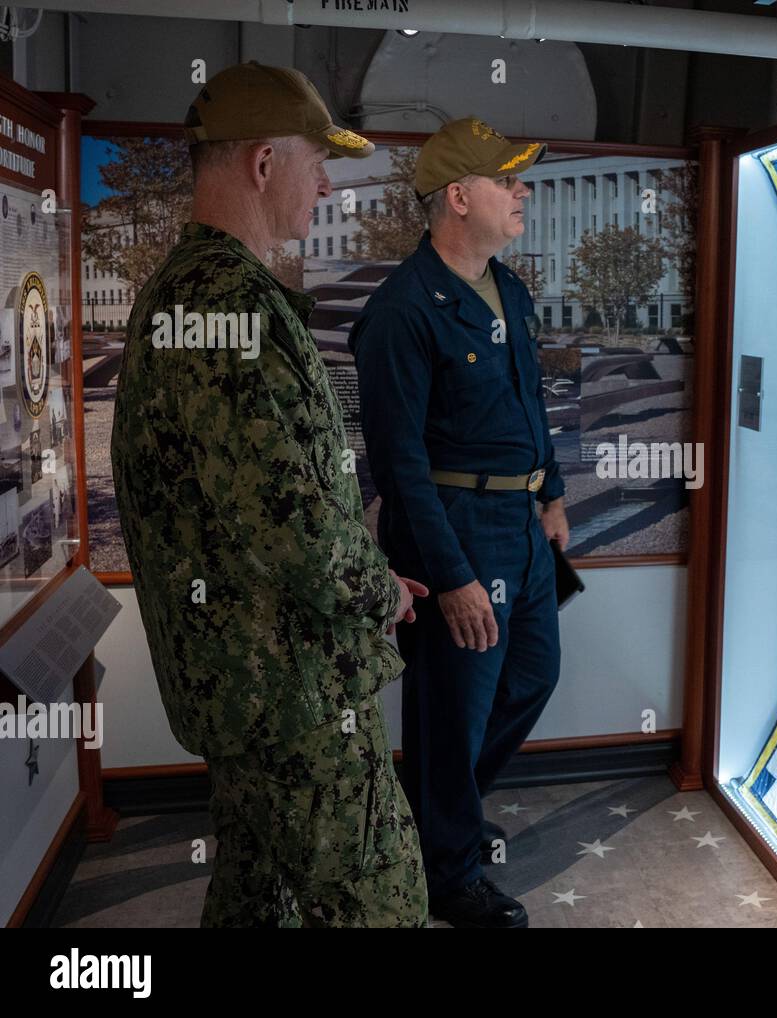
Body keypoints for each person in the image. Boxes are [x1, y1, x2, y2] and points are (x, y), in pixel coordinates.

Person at [110, 62, 429, 927]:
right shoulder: (231, 307)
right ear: (261, 164)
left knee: (259, 894)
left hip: (244, 690)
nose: (327, 183)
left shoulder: (188, 291)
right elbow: (288, 524)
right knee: (380, 899)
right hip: (293, 695)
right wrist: (380, 590)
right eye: (315, 161)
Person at [350, 117, 569, 928]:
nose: (522, 192)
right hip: (455, 525)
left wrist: (550, 492)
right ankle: (448, 873)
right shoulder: (402, 311)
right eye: (506, 180)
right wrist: (450, 577)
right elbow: (399, 464)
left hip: (519, 517)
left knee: (530, 675)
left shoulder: (505, 286)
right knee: (454, 706)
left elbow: (528, 399)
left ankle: (437, 815)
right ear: (456, 196)